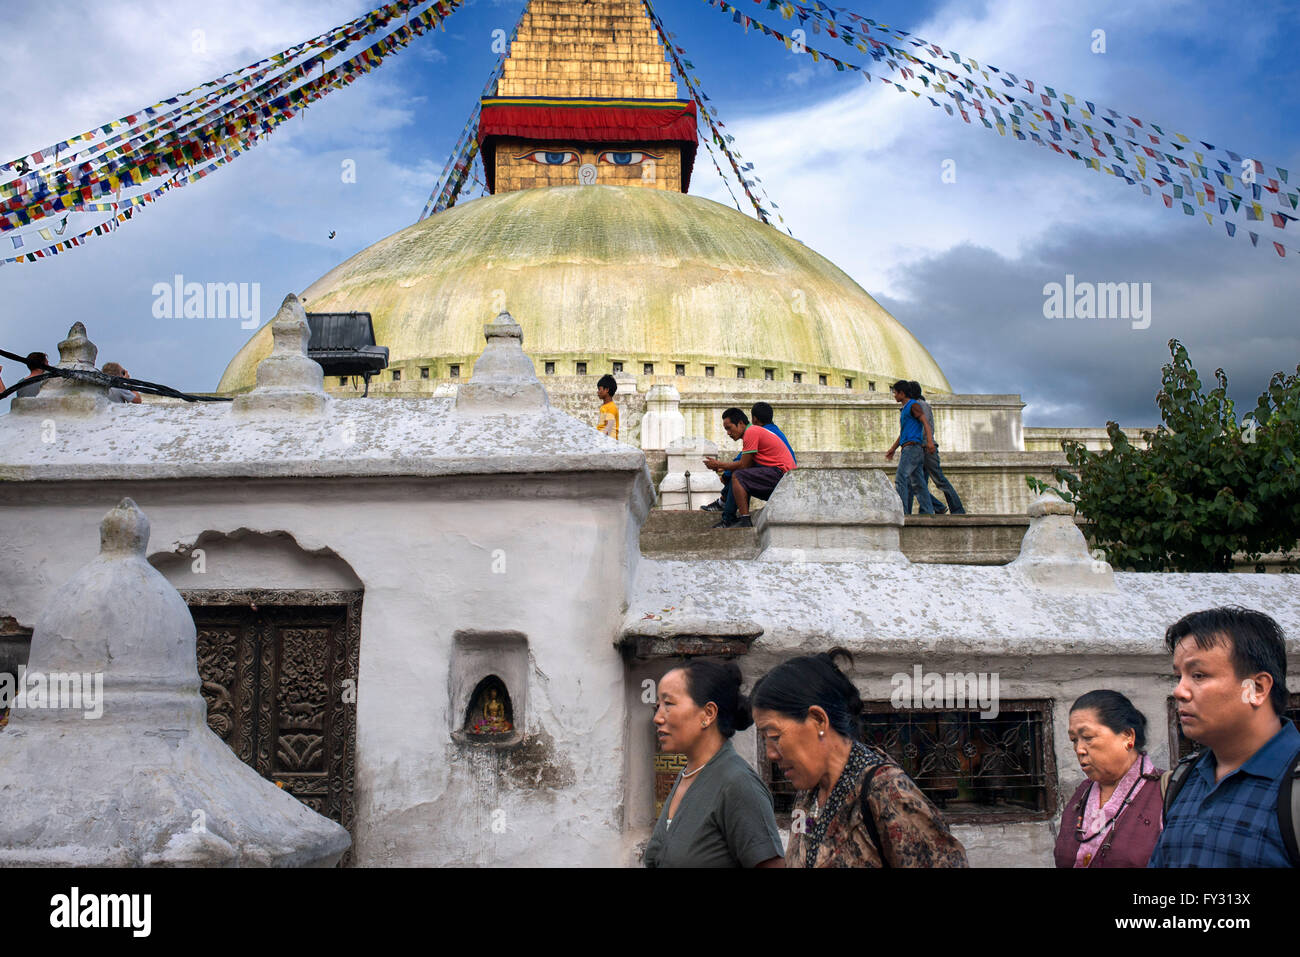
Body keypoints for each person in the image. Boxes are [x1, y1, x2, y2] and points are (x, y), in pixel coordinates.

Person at [751, 651, 968, 867]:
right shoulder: (809, 795)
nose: (771, 752)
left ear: (818, 720)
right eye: (765, 739)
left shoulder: (888, 794)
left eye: (774, 736)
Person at [1150, 606, 1300, 868]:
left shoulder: (1293, 788)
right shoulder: (1183, 780)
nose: (1179, 691)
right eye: (1178, 676)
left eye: (1199, 675)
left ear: (1256, 688)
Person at [645, 659, 784, 868]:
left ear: (708, 714)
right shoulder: (689, 775)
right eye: (657, 706)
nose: (657, 718)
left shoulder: (738, 784)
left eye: (669, 704)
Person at [1055, 690, 1164, 867]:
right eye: (1074, 740)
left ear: (1127, 736)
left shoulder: (1164, 793)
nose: (1079, 749)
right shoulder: (1082, 792)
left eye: (1088, 737)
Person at [702, 407, 796, 529]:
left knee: (739, 475)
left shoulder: (751, 432)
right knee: (739, 474)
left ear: (740, 423)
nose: (728, 433)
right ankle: (728, 518)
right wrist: (724, 468)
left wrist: (719, 464)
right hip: (780, 477)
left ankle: (743, 519)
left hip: (781, 476)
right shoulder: (755, 432)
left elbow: (743, 465)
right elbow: (745, 464)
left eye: (729, 428)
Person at [908, 381, 964, 514]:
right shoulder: (916, 406)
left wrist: (925, 444)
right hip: (921, 449)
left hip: (926, 449)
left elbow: (924, 426)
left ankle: (955, 509)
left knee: (939, 480)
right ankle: (928, 509)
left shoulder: (921, 405)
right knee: (918, 483)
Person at [884, 379, 936, 515]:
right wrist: (893, 449)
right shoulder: (905, 409)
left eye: (895, 393)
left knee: (901, 478)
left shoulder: (913, 405)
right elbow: (903, 433)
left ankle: (903, 513)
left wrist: (930, 441)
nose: (894, 395)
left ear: (902, 393)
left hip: (912, 448)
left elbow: (925, 422)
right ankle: (929, 511)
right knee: (918, 484)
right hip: (909, 447)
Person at [595, 373, 619, 439]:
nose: (598, 392)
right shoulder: (604, 407)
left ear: (607, 390)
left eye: (599, 389)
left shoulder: (611, 407)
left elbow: (608, 428)